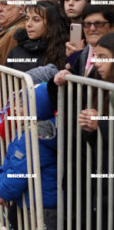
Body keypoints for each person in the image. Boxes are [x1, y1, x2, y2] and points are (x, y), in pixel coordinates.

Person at [0, 82, 57, 230]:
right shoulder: (24, 132)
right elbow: (10, 162)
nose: (14, 108)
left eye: (21, 105)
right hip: (32, 202)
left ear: (36, 109)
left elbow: (19, 172)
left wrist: (2, 192)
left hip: (42, 206)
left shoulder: (35, 136)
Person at [78, 33, 114, 229]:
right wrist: (88, 128)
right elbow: (97, 142)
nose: (96, 63)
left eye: (103, 57)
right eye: (96, 57)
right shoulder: (98, 87)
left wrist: (99, 123)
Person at [54, 4, 114, 84]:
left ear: (112, 27)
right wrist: (65, 75)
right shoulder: (81, 55)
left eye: (98, 24)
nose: (92, 28)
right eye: (87, 24)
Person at [6, 1, 68, 72]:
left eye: (36, 20)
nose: (28, 24)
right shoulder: (15, 52)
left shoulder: (63, 51)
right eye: (27, 19)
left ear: (51, 24)